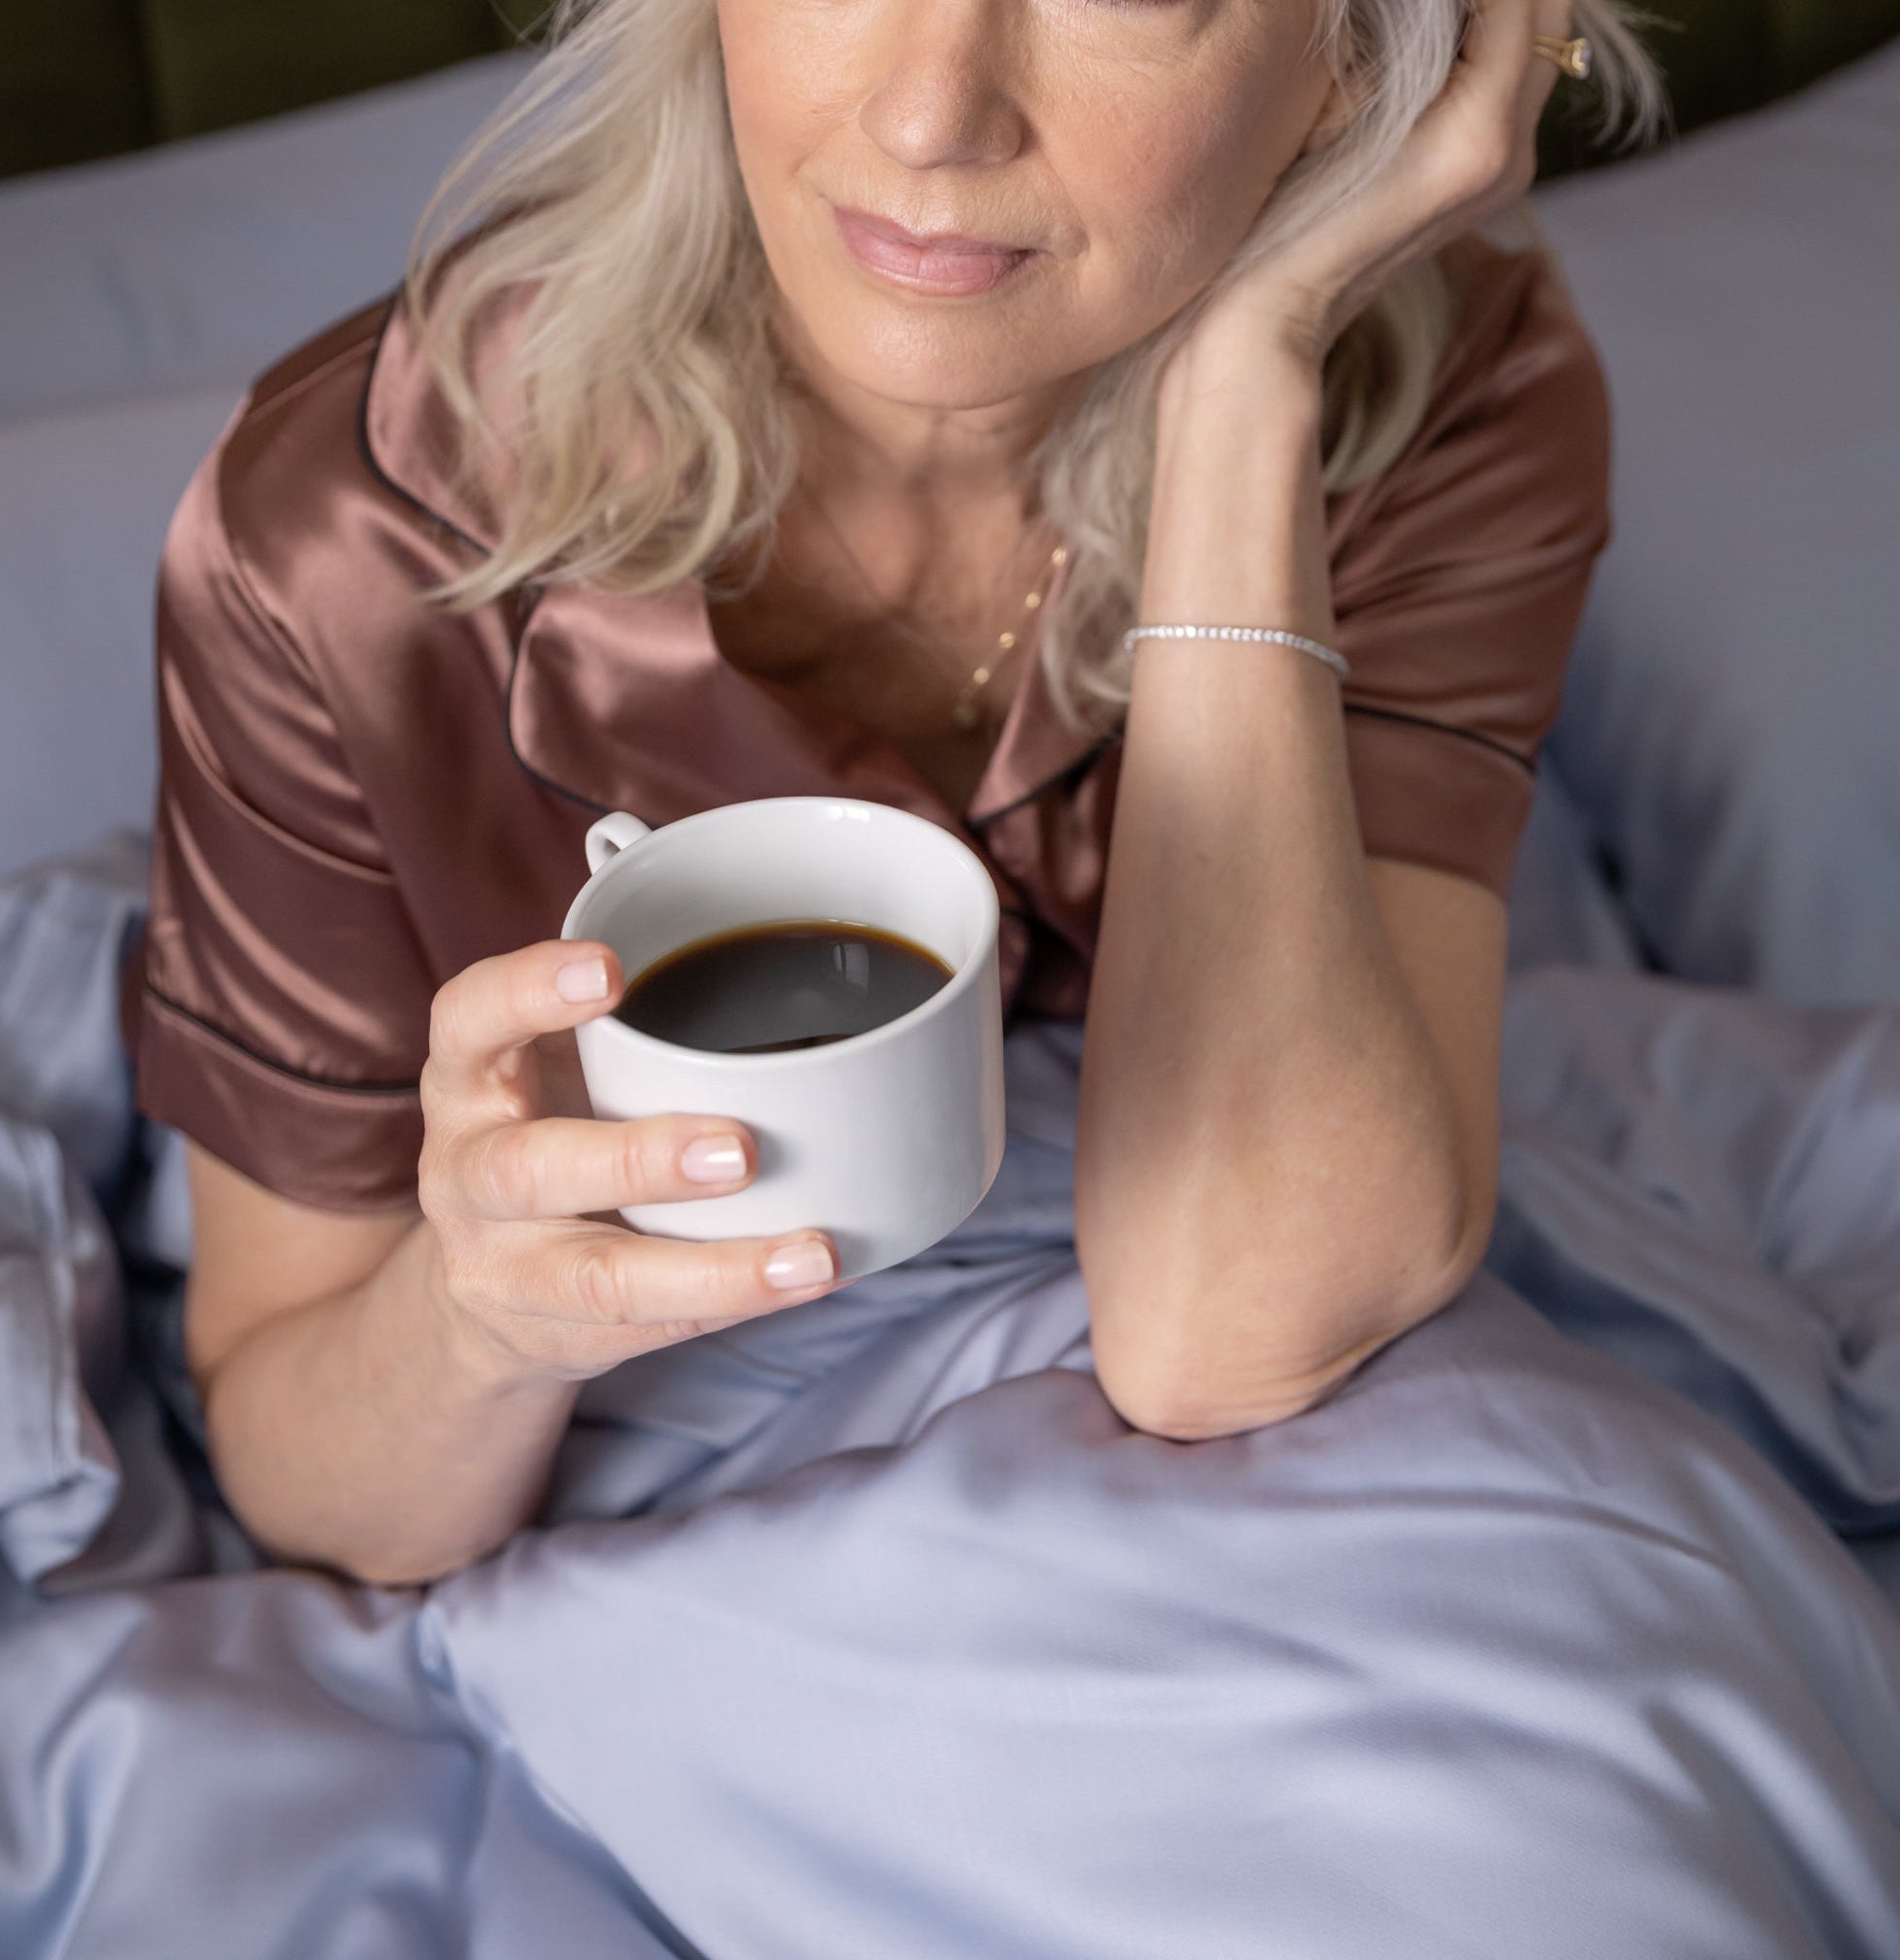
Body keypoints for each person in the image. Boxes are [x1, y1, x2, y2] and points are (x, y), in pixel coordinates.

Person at [125, 0, 1658, 1586]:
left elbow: (1226, 1332)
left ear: (1353, 65)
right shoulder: (337, 550)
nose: (934, 117)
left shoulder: (1454, 395)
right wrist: (476, 1319)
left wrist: (1244, 386)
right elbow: (309, 1484)